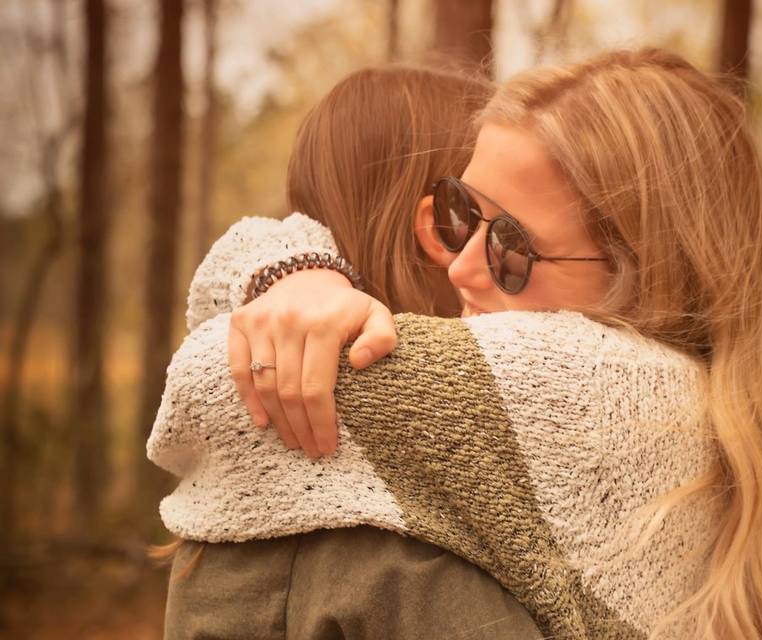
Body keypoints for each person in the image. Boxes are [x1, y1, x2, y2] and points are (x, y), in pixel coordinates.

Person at [150, 48, 762, 640]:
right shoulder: (708, 400)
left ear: (650, 278)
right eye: (460, 213)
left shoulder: (596, 389)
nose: (461, 267)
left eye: (513, 247)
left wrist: (292, 275)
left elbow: (213, 385)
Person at [151, 64, 544, 639]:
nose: (498, 253)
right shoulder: (409, 552)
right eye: (484, 219)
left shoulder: (226, 502)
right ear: (437, 226)